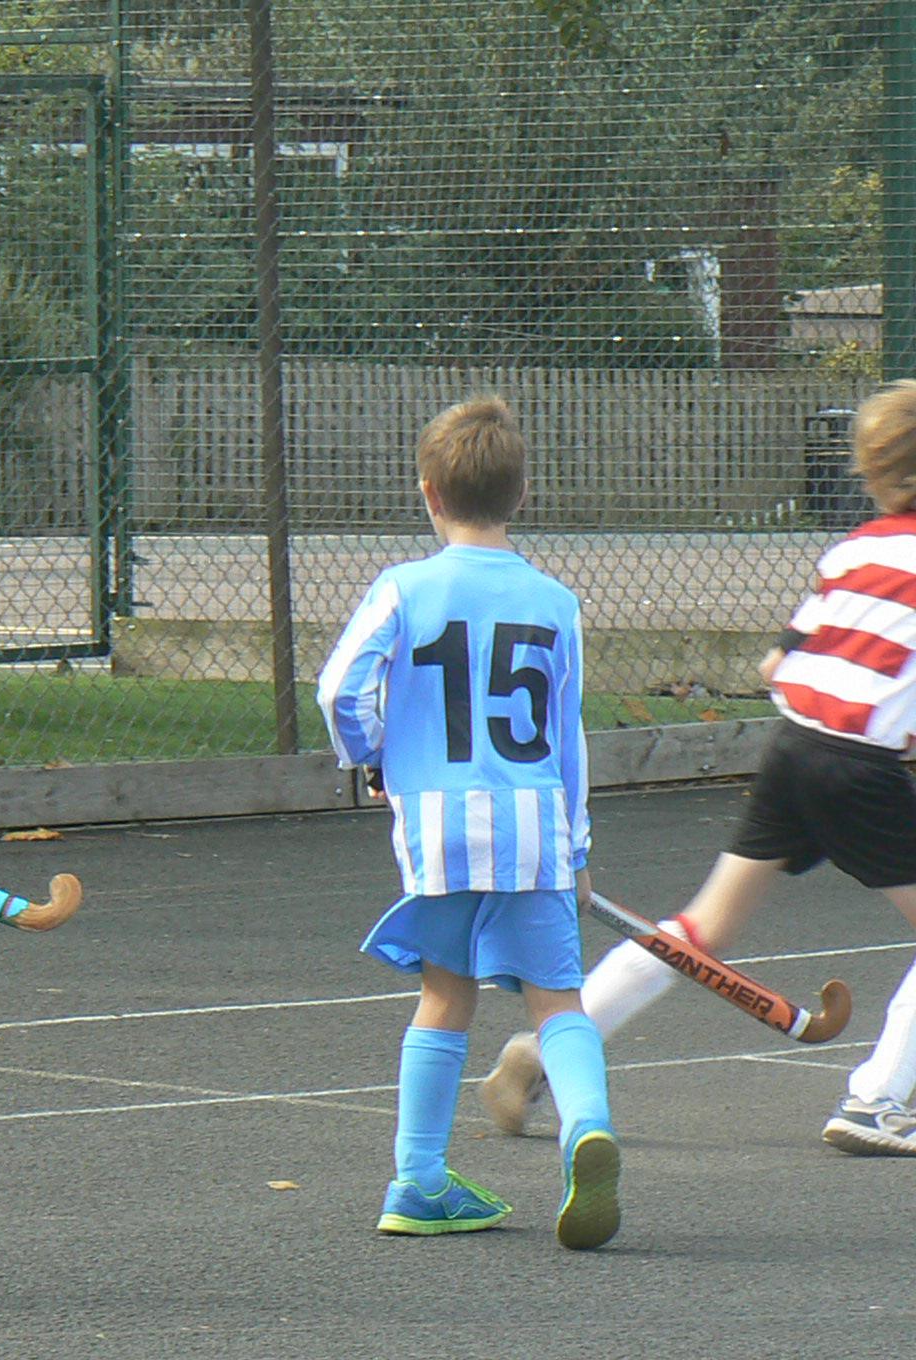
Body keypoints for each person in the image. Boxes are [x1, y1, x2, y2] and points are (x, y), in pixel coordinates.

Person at [481, 381, 916, 1156]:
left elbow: (777, 662)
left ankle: (546, 1052)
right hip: (858, 766)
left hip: (792, 748)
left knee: (700, 930)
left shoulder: (853, 551)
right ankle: (877, 1101)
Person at [317, 395, 620, 1249]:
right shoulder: (555, 603)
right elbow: (567, 737)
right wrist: (577, 848)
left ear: (429, 493)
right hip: (534, 827)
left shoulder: (403, 588)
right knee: (558, 1000)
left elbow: (339, 691)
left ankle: (418, 1179)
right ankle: (586, 1128)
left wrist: (373, 756)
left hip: (440, 829)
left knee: (444, 993)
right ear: (521, 494)